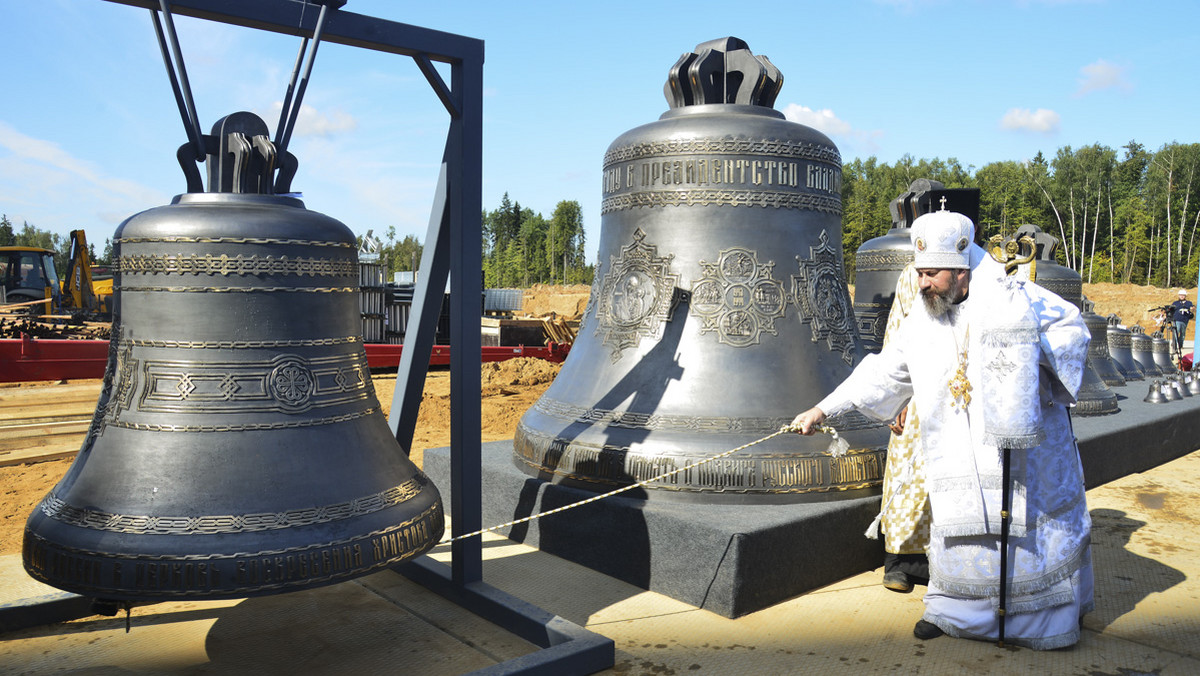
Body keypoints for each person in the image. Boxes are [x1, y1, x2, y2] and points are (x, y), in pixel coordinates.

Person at [791, 210, 1093, 649]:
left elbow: (1072, 334)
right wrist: (824, 409)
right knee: (961, 528)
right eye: (919, 273)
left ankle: (1036, 622)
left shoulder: (1015, 297)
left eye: (931, 274)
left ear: (961, 269)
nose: (923, 284)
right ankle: (953, 611)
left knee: (1023, 539)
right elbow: (886, 369)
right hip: (956, 448)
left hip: (1020, 452)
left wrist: (1027, 351)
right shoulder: (925, 314)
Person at [1170, 289, 1193, 354]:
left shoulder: (1189, 303)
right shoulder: (1175, 303)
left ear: (1185, 296)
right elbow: (1171, 310)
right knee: (1176, 332)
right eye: (1181, 295)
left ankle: (1180, 345)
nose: (1182, 296)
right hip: (1177, 319)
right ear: (1179, 296)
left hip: (1185, 320)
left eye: (1183, 295)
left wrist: (1191, 308)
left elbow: (1192, 308)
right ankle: (1175, 346)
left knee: (1182, 334)